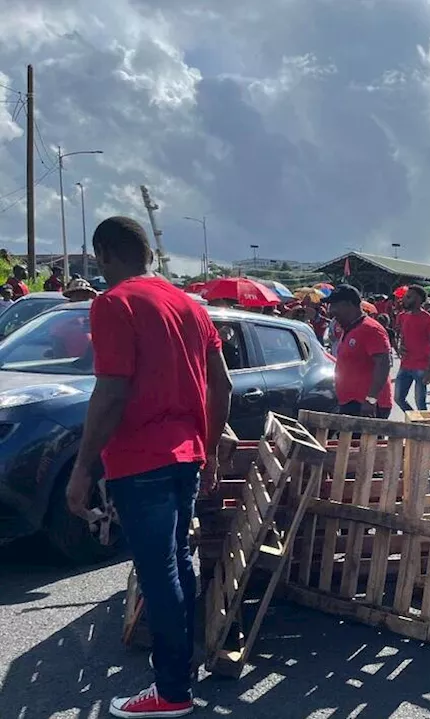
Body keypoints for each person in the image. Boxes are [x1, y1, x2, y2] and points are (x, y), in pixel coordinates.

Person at [65, 216, 232, 718]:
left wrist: (81, 468)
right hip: (186, 454)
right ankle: (179, 670)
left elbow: (111, 391)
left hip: (141, 460)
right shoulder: (189, 304)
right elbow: (221, 386)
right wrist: (210, 450)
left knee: (160, 572)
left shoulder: (112, 304)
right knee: (177, 563)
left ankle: (172, 692)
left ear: (104, 254)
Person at [324, 285, 393, 418]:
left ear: (349, 304)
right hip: (351, 402)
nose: (331, 311)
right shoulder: (349, 328)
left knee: (365, 440)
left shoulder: (370, 329)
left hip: (366, 405)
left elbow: (383, 364)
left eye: (334, 306)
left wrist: (371, 399)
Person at [393, 286, 430, 413]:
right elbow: (402, 337)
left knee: (420, 403)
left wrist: (429, 370)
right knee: (398, 398)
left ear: (418, 299)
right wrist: (400, 348)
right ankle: (415, 422)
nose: (404, 300)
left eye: (409, 297)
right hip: (405, 365)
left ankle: (424, 429)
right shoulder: (403, 316)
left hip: (421, 367)